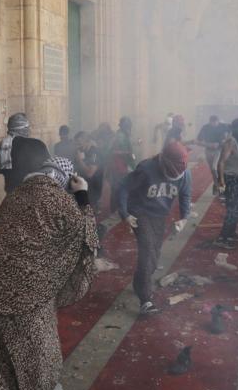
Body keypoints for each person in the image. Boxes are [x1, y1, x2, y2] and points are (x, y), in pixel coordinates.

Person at [0, 153, 97, 390]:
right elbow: (88, 239)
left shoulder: (15, 195)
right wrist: (83, 197)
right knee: (39, 353)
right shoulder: (61, 201)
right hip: (26, 294)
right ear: (64, 180)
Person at [118, 141, 193, 315]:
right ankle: (146, 300)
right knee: (148, 251)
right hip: (140, 213)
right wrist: (125, 214)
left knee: (154, 255)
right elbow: (123, 187)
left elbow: (185, 195)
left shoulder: (185, 175)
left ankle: (139, 282)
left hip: (159, 216)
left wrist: (184, 219)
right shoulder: (146, 169)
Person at [214, 119, 238, 248]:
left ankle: (231, 232)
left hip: (236, 177)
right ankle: (222, 238)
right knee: (235, 208)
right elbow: (221, 162)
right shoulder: (231, 141)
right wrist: (221, 182)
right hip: (229, 178)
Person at [0, 113, 32, 195]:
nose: (29, 130)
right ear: (19, 129)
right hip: (18, 190)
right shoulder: (8, 144)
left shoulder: (4, 143)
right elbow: (7, 170)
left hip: (13, 188)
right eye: (26, 127)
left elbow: (2, 170)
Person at [109, 116, 137, 215]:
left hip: (122, 165)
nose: (129, 128)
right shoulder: (120, 135)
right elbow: (112, 151)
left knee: (119, 187)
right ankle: (116, 209)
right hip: (119, 165)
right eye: (128, 126)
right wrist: (127, 153)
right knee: (119, 187)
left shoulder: (124, 135)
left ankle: (117, 209)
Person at [73, 131, 104, 211]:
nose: (77, 146)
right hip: (83, 187)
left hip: (93, 189)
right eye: (76, 144)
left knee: (88, 213)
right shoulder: (81, 151)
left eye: (79, 143)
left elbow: (90, 173)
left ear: (87, 141)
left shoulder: (94, 152)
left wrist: (80, 160)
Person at [195, 115, 225, 186]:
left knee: (214, 168)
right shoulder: (205, 127)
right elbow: (198, 140)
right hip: (208, 150)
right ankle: (216, 183)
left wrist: (220, 143)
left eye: (216, 122)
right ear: (210, 122)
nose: (214, 124)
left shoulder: (222, 126)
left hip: (218, 150)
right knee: (212, 170)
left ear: (218, 121)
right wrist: (208, 144)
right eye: (212, 123)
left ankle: (219, 184)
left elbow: (228, 137)